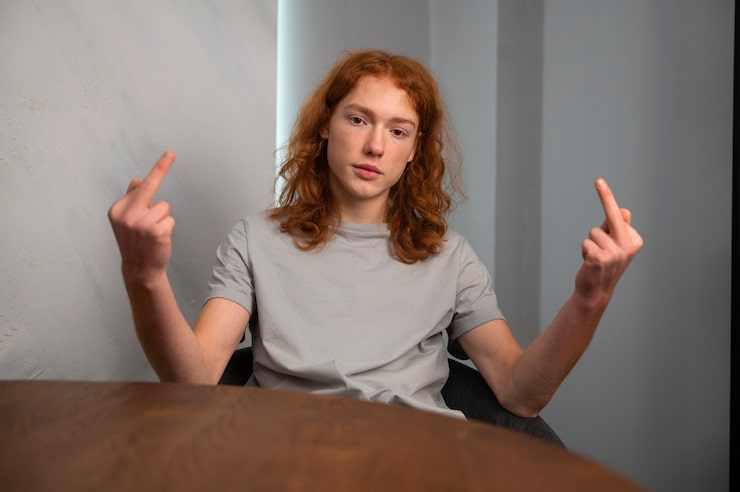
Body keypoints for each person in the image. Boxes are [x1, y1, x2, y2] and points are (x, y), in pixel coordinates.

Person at [108, 49, 643, 420]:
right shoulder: (255, 240)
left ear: (414, 151)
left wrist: (590, 299)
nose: (375, 147)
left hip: (418, 459)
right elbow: (195, 380)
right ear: (325, 125)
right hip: (284, 454)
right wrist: (144, 277)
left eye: (398, 130)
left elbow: (521, 393)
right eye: (359, 120)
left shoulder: (451, 258)